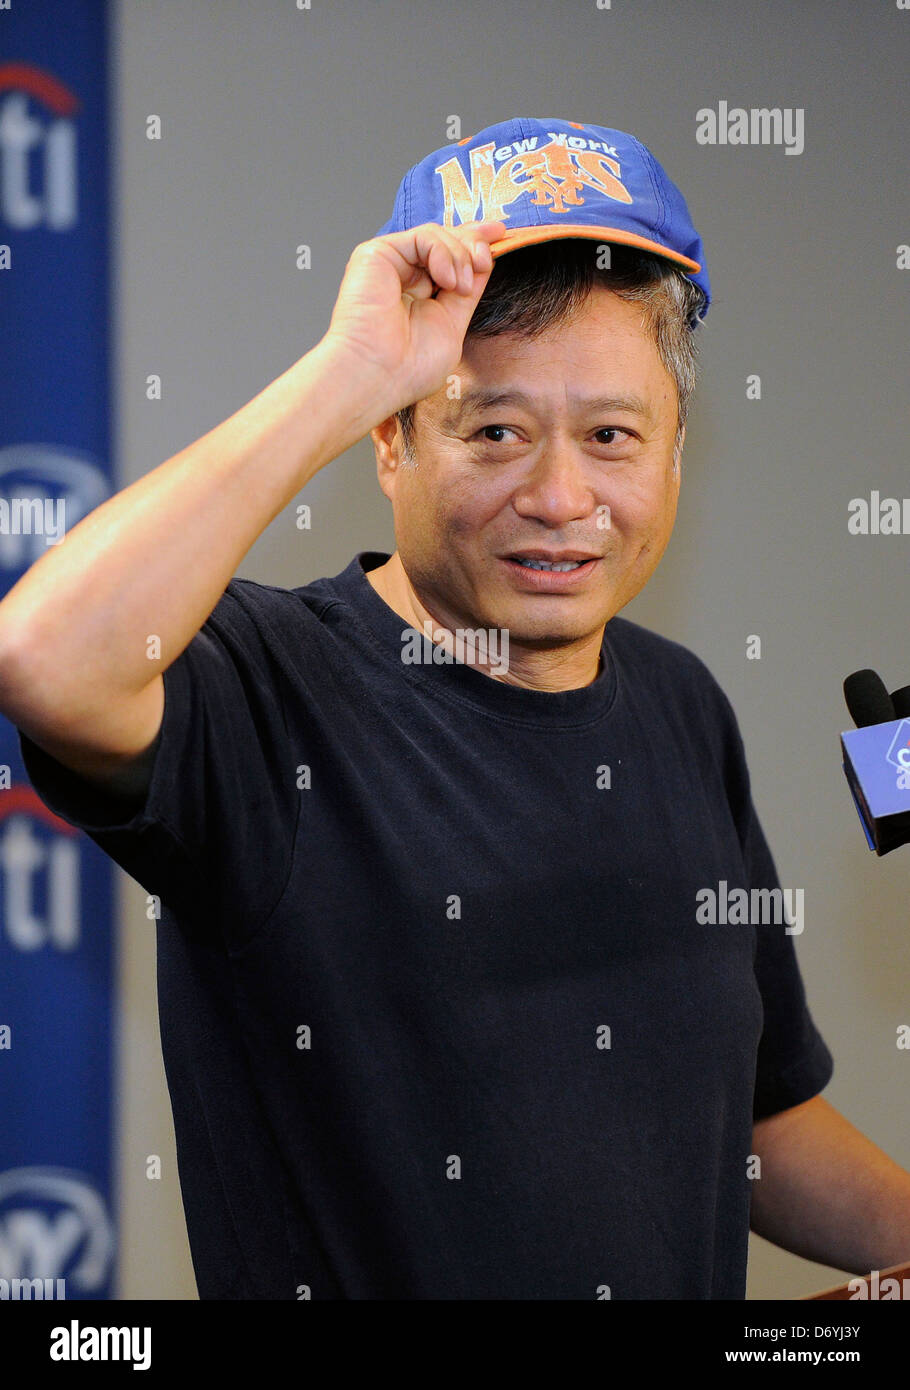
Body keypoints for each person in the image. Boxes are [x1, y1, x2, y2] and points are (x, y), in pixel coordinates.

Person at [2, 116, 909, 1300]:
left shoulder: (682, 707)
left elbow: (753, 1121)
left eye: (612, 436)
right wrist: (346, 371)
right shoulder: (268, 688)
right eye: (494, 430)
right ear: (390, 441)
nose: (559, 493)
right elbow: (44, 658)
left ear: (677, 457)